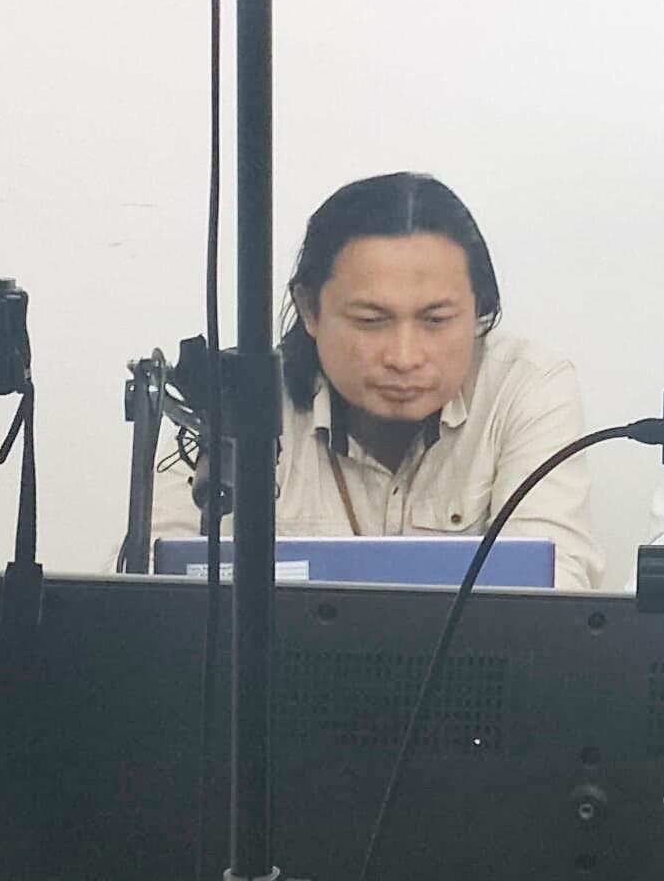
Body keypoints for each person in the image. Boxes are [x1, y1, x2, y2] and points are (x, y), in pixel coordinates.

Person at [259, 172, 605, 588]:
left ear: (478, 311)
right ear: (309, 310)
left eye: (436, 320)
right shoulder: (242, 398)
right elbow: (188, 582)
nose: (404, 358)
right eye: (371, 321)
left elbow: (553, 586)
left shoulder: (528, 386)